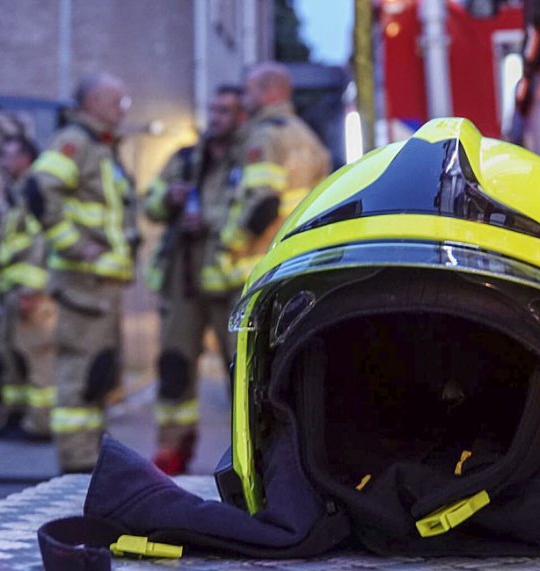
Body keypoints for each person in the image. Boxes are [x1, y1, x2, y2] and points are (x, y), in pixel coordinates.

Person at [26, 72, 139, 472]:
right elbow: (39, 191)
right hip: (81, 282)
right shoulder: (74, 142)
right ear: (91, 103)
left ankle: (89, 462)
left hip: (100, 285)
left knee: (98, 374)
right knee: (79, 375)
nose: (122, 110)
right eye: (116, 102)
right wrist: (78, 247)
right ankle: (75, 466)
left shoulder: (101, 147)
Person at [144, 85, 247, 475]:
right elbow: (149, 204)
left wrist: (209, 221)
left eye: (226, 111)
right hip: (183, 281)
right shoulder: (185, 160)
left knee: (240, 370)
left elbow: (257, 210)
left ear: (241, 117)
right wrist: (168, 199)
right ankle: (172, 451)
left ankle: (246, 455)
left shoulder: (249, 160)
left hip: (231, 284)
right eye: (213, 109)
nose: (216, 117)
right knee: (174, 366)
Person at [211, 62, 331, 291]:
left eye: (248, 91)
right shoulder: (308, 136)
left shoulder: (265, 136)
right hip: (294, 256)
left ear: (268, 91)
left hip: (258, 263)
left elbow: (263, 202)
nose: (244, 101)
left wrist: (228, 246)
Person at [0, 136, 56, 439]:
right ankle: (15, 418)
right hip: (13, 289)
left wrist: (31, 290)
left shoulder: (33, 189)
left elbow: (40, 242)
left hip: (30, 291)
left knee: (35, 356)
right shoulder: (16, 192)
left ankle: (40, 424)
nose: (5, 161)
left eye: (10, 154)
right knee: (9, 353)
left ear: (26, 158)